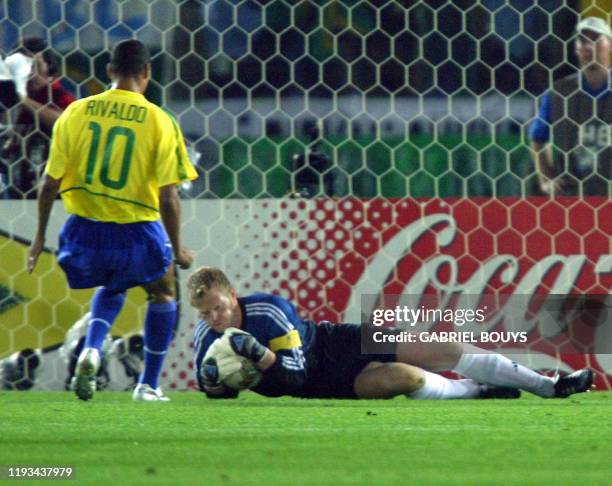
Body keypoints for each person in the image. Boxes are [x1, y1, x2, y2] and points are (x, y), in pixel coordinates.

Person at [27, 39, 198, 402]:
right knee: (163, 291)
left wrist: (40, 237)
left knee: (114, 284)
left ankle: (91, 347)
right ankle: (148, 384)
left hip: (83, 231)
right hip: (137, 229)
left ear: (109, 71)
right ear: (147, 73)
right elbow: (169, 197)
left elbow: (49, 183)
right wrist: (177, 248)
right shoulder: (159, 121)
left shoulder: (76, 112)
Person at [188, 267, 593, 400]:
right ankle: (476, 390)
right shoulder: (206, 342)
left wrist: (257, 352)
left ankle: (549, 386)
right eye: (205, 314)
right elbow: (294, 381)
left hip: (336, 341)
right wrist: (215, 386)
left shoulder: (270, 311)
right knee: (405, 378)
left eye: (219, 308)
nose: (215, 319)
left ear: (233, 296)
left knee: (440, 346)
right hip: (322, 384)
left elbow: (291, 364)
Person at [530, 17, 611, 197]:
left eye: (597, 39)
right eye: (582, 41)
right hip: (573, 198)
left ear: (610, 45)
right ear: (575, 48)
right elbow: (538, 138)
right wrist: (547, 180)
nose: (588, 46)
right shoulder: (558, 93)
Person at [1, 37, 75, 199]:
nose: (30, 73)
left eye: (35, 66)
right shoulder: (8, 100)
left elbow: (65, 123)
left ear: (49, 67)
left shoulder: (59, 96)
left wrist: (23, 99)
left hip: (56, 188)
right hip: (21, 185)